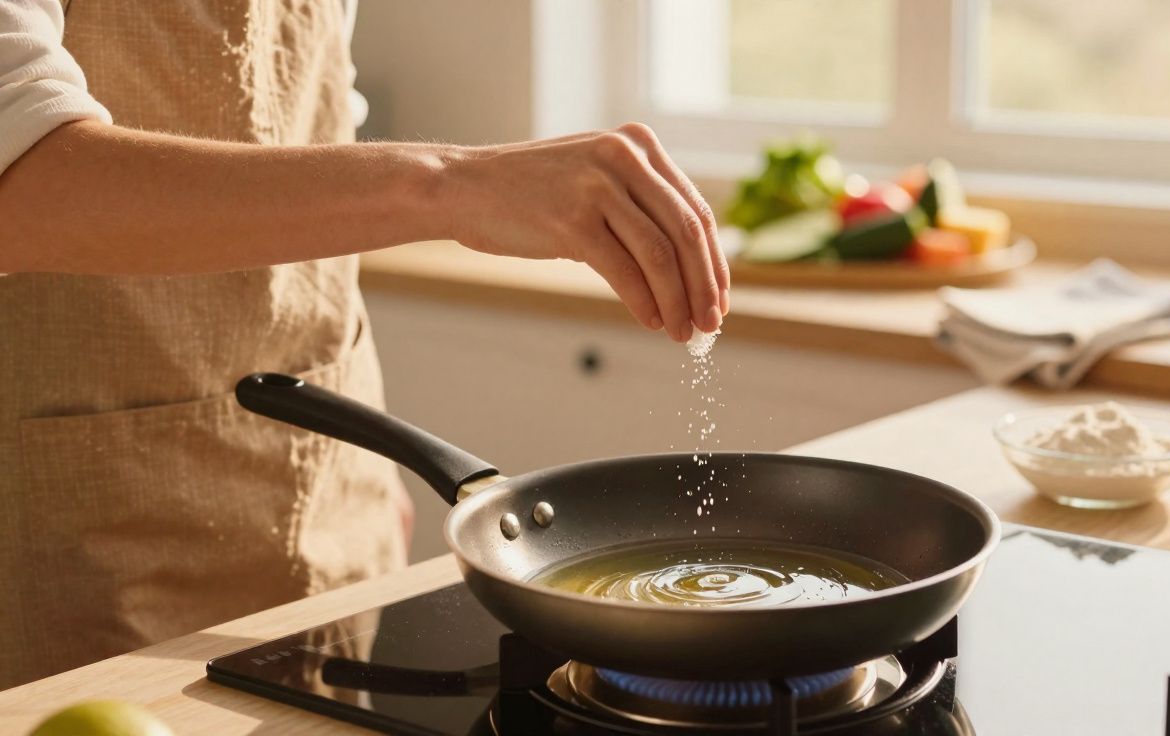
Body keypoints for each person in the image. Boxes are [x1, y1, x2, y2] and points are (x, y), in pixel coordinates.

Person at [0, 0, 728, 689]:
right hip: (83, 545)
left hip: (334, 515)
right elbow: (20, 181)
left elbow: (309, 139)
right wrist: (448, 184)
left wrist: (362, 450)